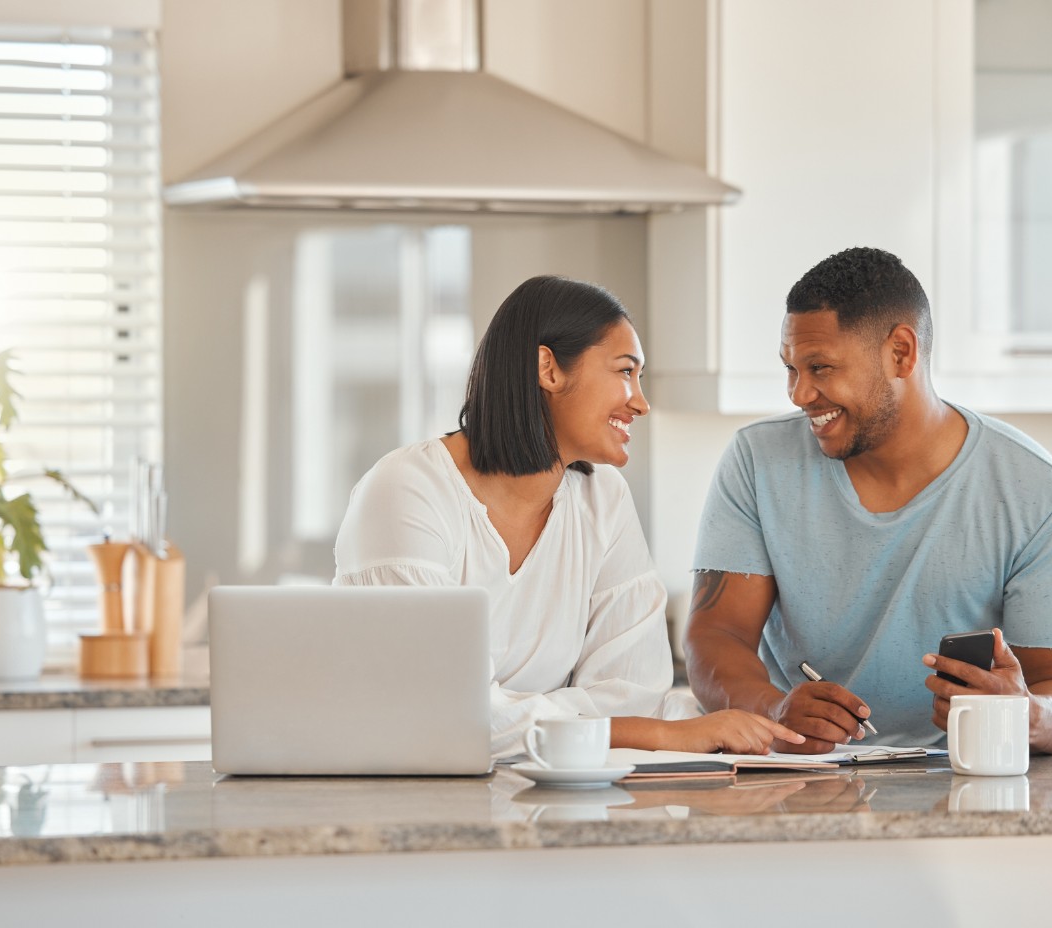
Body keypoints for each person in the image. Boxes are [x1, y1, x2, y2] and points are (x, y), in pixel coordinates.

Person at [334, 275, 802, 760]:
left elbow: (635, 691)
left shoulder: (603, 498)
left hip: (545, 794)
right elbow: (438, 714)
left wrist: (508, 715)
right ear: (548, 369)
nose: (640, 402)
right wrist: (655, 734)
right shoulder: (409, 488)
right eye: (625, 372)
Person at [686, 247, 1052, 754]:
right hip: (799, 776)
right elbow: (716, 637)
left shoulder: (1041, 496)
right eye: (791, 369)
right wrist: (773, 708)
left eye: (819, 367)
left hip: (962, 780)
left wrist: (1026, 713)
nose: (798, 394)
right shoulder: (756, 461)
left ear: (901, 352)